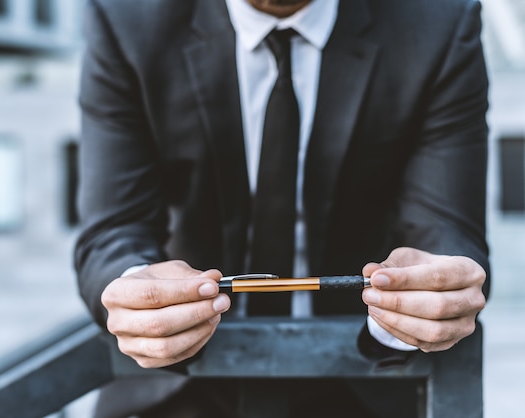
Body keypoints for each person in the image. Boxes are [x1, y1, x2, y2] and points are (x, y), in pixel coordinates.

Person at [75, 0, 490, 416]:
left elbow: (447, 230)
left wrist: (438, 287)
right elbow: (112, 231)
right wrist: (136, 292)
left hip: (371, 380)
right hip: (174, 385)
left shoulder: (438, 24)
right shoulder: (127, 17)